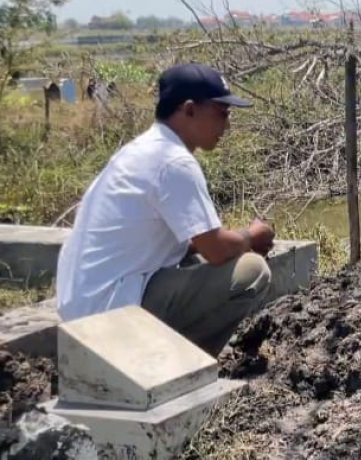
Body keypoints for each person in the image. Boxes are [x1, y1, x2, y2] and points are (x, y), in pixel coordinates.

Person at [55, 62, 276, 357]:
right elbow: (217, 250)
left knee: (192, 260)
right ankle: (179, 367)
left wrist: (224, 242)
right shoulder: (173, 161)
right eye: (222, 114)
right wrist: (252, 235)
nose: (227, 126)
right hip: (108, 314)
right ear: (189, 110)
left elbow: (189, 244)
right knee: (252, 271)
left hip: (84, 308)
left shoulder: (142, 150)